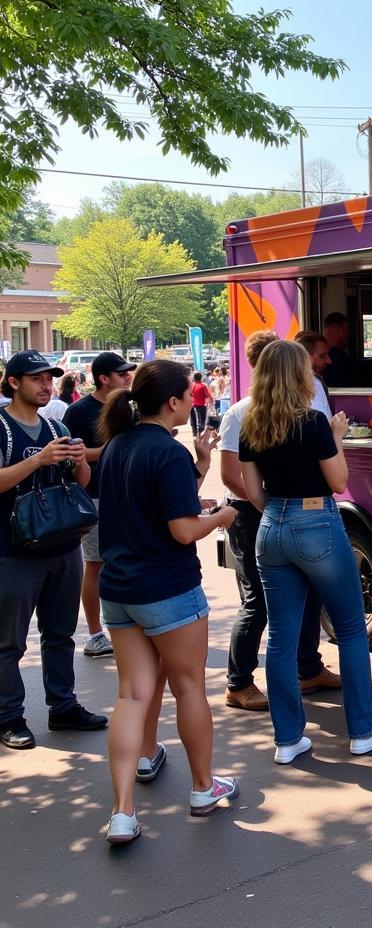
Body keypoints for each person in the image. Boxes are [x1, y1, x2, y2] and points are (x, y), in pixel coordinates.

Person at [97, 359, 240, 845]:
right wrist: (220, 518)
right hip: (168, 590)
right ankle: (203, 788)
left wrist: (199, 466)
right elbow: (182, 529)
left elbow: (158, 507)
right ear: (175, 401)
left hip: (119, 592)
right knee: (189, 688)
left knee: (131, 696)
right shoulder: (166, 451)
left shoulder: (117, 445)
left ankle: (122, 812)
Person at [239, 340, 372, 763]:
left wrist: (278, 511)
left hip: (271, 526)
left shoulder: (252, 423)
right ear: (298, 375)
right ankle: (363, 731)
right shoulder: (313, 422)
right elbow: (340, 481)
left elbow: (252, 492)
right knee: (349, 628)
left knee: (282, 638)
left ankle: (287, 740)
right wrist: (338, 438)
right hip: (316, 523)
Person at [220, 331, 339, 713]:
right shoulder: (241, 413)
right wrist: (276, 507)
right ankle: (238, 682)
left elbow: (251, 481)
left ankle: (307, 670)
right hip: (259, 518)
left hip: (272, 515)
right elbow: (229, 475)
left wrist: (273, 507)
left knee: (304, 601)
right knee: (258, 604)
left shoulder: (261, 416)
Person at [0, 350, 108, 751]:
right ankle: (9, 717)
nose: (47, 385)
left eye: (49, 379)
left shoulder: (56, 424)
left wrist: (80, 461)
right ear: (14, 382)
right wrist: (39, 460)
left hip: (62, 545)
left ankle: (63, 706)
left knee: (60, 634)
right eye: (37, 379)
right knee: (9, 642)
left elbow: (80, 481)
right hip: (12, 550)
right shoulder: (2, 428)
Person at [63, 351, 137, 659]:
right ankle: (95, 634)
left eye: (129, 372)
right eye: (122, 373)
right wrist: (109, 448)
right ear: (104, 378)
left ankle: (128, 625)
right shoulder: (79, 412)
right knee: (94, 563)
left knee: (127, 557)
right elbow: (70, 455)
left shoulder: (130, 407)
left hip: (127, 493)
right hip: (92, 497)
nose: (128, 377)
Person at [295, 331, 333, 419]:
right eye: (322, 356)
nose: (329, 361)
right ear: (306, 357)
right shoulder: (313, 384)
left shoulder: (318, 380)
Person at [322, 312, 355, 388]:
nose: (348, 335)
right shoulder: (341, 358)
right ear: (339, 331)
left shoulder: (315, 355)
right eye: (346, 331)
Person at [189, 371, 212, 435]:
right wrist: (212, 402)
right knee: (201, 422)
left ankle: (195, 435)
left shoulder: (192, 385)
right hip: (201, 406)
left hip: (192, 406)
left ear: (194, 378)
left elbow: (189, 395)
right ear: (201, 378)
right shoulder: (203, 386)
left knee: (193, 422)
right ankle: (200, 435)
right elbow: (207, 395)